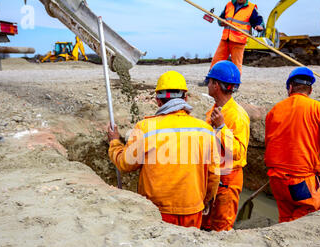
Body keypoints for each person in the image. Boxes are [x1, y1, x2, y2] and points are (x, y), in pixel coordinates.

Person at [107, 71, 220, 229]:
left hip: (155, 211)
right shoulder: (206, 130)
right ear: (185, 97)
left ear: (158, 100)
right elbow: (214, 174)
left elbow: (125, 164)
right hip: (192, 209)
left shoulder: (146, 128)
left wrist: (114, 142)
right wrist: (205, 200)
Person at [264, 67, 320, 223]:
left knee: (286, 215)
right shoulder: (318, 109)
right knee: (313, 207)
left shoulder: (274, 110)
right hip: (300, 180)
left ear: (290, 87)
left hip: (276, 179)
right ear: (310, 90)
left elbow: (271, 141)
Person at [201, 61, 250, 232]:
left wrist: (222, 128)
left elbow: (238, 152)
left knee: (221, 227)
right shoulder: (216, 110)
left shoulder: (236, 115)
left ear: (216, 84)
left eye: (210, 81)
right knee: (205, 224)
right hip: (213, 176)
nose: (207, 84)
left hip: (228, 179)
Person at [210, 0, 263, 74]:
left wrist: (259, 26)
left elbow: (259, 20)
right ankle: (210, 79)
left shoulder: (251, 8)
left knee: (236, 64)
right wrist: (221, 22)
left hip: (239, 40)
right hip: (225, 39)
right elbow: (221, 18)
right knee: (216, 60)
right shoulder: (229, 4)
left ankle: (236, 83)